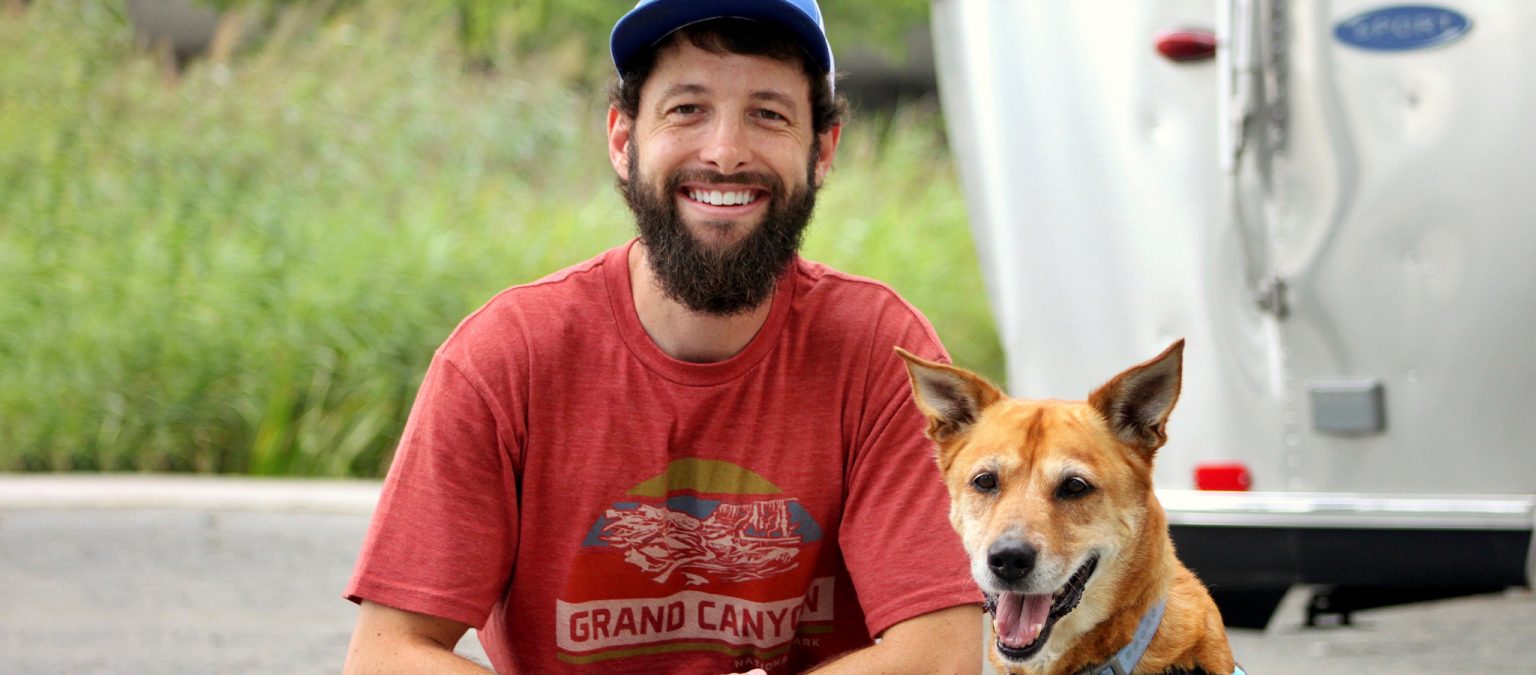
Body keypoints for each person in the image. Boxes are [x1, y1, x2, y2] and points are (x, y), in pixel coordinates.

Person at [341, 0, 981, 672]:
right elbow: (387, 654)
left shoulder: (880, 353)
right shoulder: (505, 358)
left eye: (768, 114)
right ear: (624, 141)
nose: (726, 152)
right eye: (687, 109)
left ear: (822, 151)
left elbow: (941, 657)